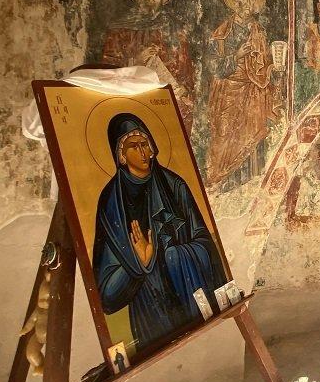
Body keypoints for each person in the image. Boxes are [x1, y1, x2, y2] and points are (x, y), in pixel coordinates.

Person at [93, 113, 227, 350]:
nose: (143, 152)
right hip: (149, 308)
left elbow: (205, 242)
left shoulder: (175, 186)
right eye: (134, 146)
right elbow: (106, 294)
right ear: (121, 156)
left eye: (145, 144)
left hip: (188, 298)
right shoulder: (111, 202)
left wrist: (175, 257)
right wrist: (140, 265)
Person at [205, 0, 280, 189]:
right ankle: (220, 181)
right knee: (224, 135)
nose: (244, 1)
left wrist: (273, 68)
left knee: (253, 135)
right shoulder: (221, 32)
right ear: (234, 0)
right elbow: (212, 65)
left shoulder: (259, 31)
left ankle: (248, 186)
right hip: (227, 90)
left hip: (254, 92)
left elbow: (265, 64)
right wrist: (236, 56)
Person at [102, 0, 195, 129]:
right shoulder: (120, 28)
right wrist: (136, 60)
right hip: (132, 97)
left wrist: (184, 88)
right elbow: (107, 71)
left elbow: (186, 67)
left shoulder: (175, 28)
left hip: (167, 99)